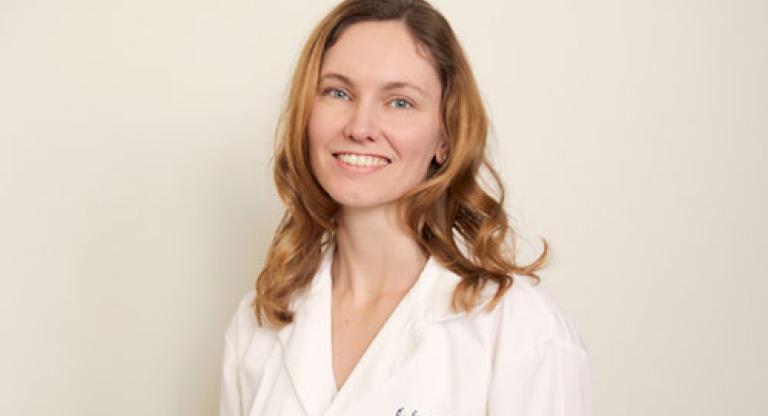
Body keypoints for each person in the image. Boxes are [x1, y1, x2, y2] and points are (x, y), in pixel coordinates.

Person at [219, 0, 592, 415]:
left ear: (446, 135)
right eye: (338, 92)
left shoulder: (520, 330)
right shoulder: (258, 324)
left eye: (399, 102)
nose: (359, 127)